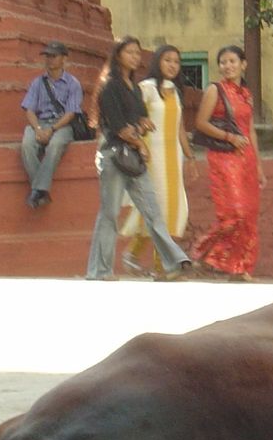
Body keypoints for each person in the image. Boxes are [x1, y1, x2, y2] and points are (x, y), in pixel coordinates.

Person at [85, 36, 190, 281]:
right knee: (110, 214)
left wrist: (141, 126)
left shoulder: (133, 87)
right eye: (129, 52)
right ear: (118, 55)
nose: (134, 57)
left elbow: (141, 119)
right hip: (115, 156)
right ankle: (99, 270)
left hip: (133, 157)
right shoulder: (110, 86)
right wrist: (139, 141)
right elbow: (118, 126)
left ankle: (173, 262)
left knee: (153, 211)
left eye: (137, 53)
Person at [120, 44, 194, 275]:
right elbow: (132, 117)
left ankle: (134, 254)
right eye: (167, 60)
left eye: (176, 61)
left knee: (173, 208)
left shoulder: (174, 90)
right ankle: (162, 266)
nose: (172, 65)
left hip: (173, 158)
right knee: (157, 208)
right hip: (152, 157)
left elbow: (180, 127)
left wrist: (190, 156)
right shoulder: (147, 88)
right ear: (157, 62)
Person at [191, 45, 263, 280]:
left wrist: (258, 165)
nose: (227, 66)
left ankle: (240, 268)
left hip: (246, 159)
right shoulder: (215, 90)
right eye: (223, 62)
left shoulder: (246, 94)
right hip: (223, 157)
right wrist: (229, 137)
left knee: (249, 215)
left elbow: (250, 130)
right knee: (235, 213)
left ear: (243, 65)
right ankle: (205, 254)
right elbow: (201, 123)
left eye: (232, 61)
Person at [18, 40, 84, 210]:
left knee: (55, 145)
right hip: (40, 122)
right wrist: (38, 129)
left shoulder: (73, 84)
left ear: (64, 59)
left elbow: (71, 113)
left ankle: (37, 190)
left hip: (62, 124)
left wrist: (52, 129)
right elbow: (29, 110)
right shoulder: (37, 83)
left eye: (53, 56)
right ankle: (41, 190)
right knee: (27, 145)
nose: (49, 60)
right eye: (47, 56)